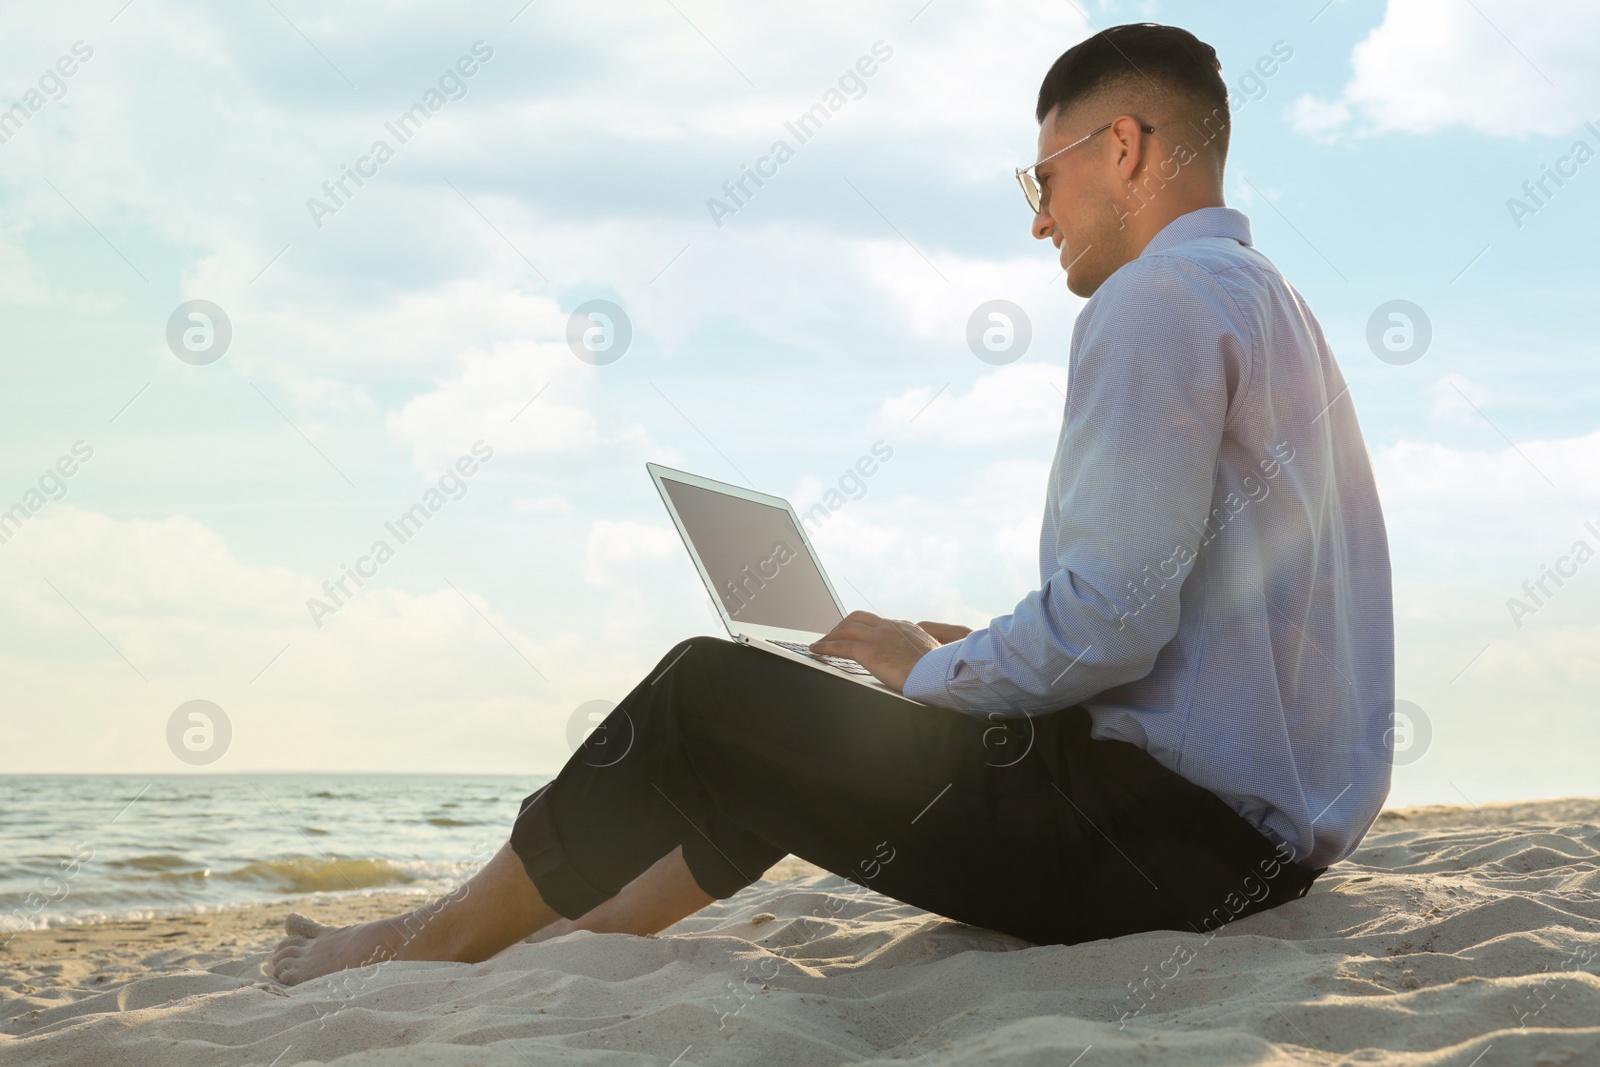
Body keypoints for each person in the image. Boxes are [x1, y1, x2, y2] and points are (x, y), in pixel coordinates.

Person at [270, 22, 1392, 985]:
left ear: (1124, 148)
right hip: (1251, 850)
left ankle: (437, 936)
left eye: (1039, 179)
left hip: (1161, 850)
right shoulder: (1268, 304)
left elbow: (1113, 617)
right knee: (802, 724)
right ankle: (588, 931)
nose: (1039, 220)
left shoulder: (1153, 299)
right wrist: (973, 651)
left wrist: (927, 667)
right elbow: (1190, 617)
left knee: (706, 689)